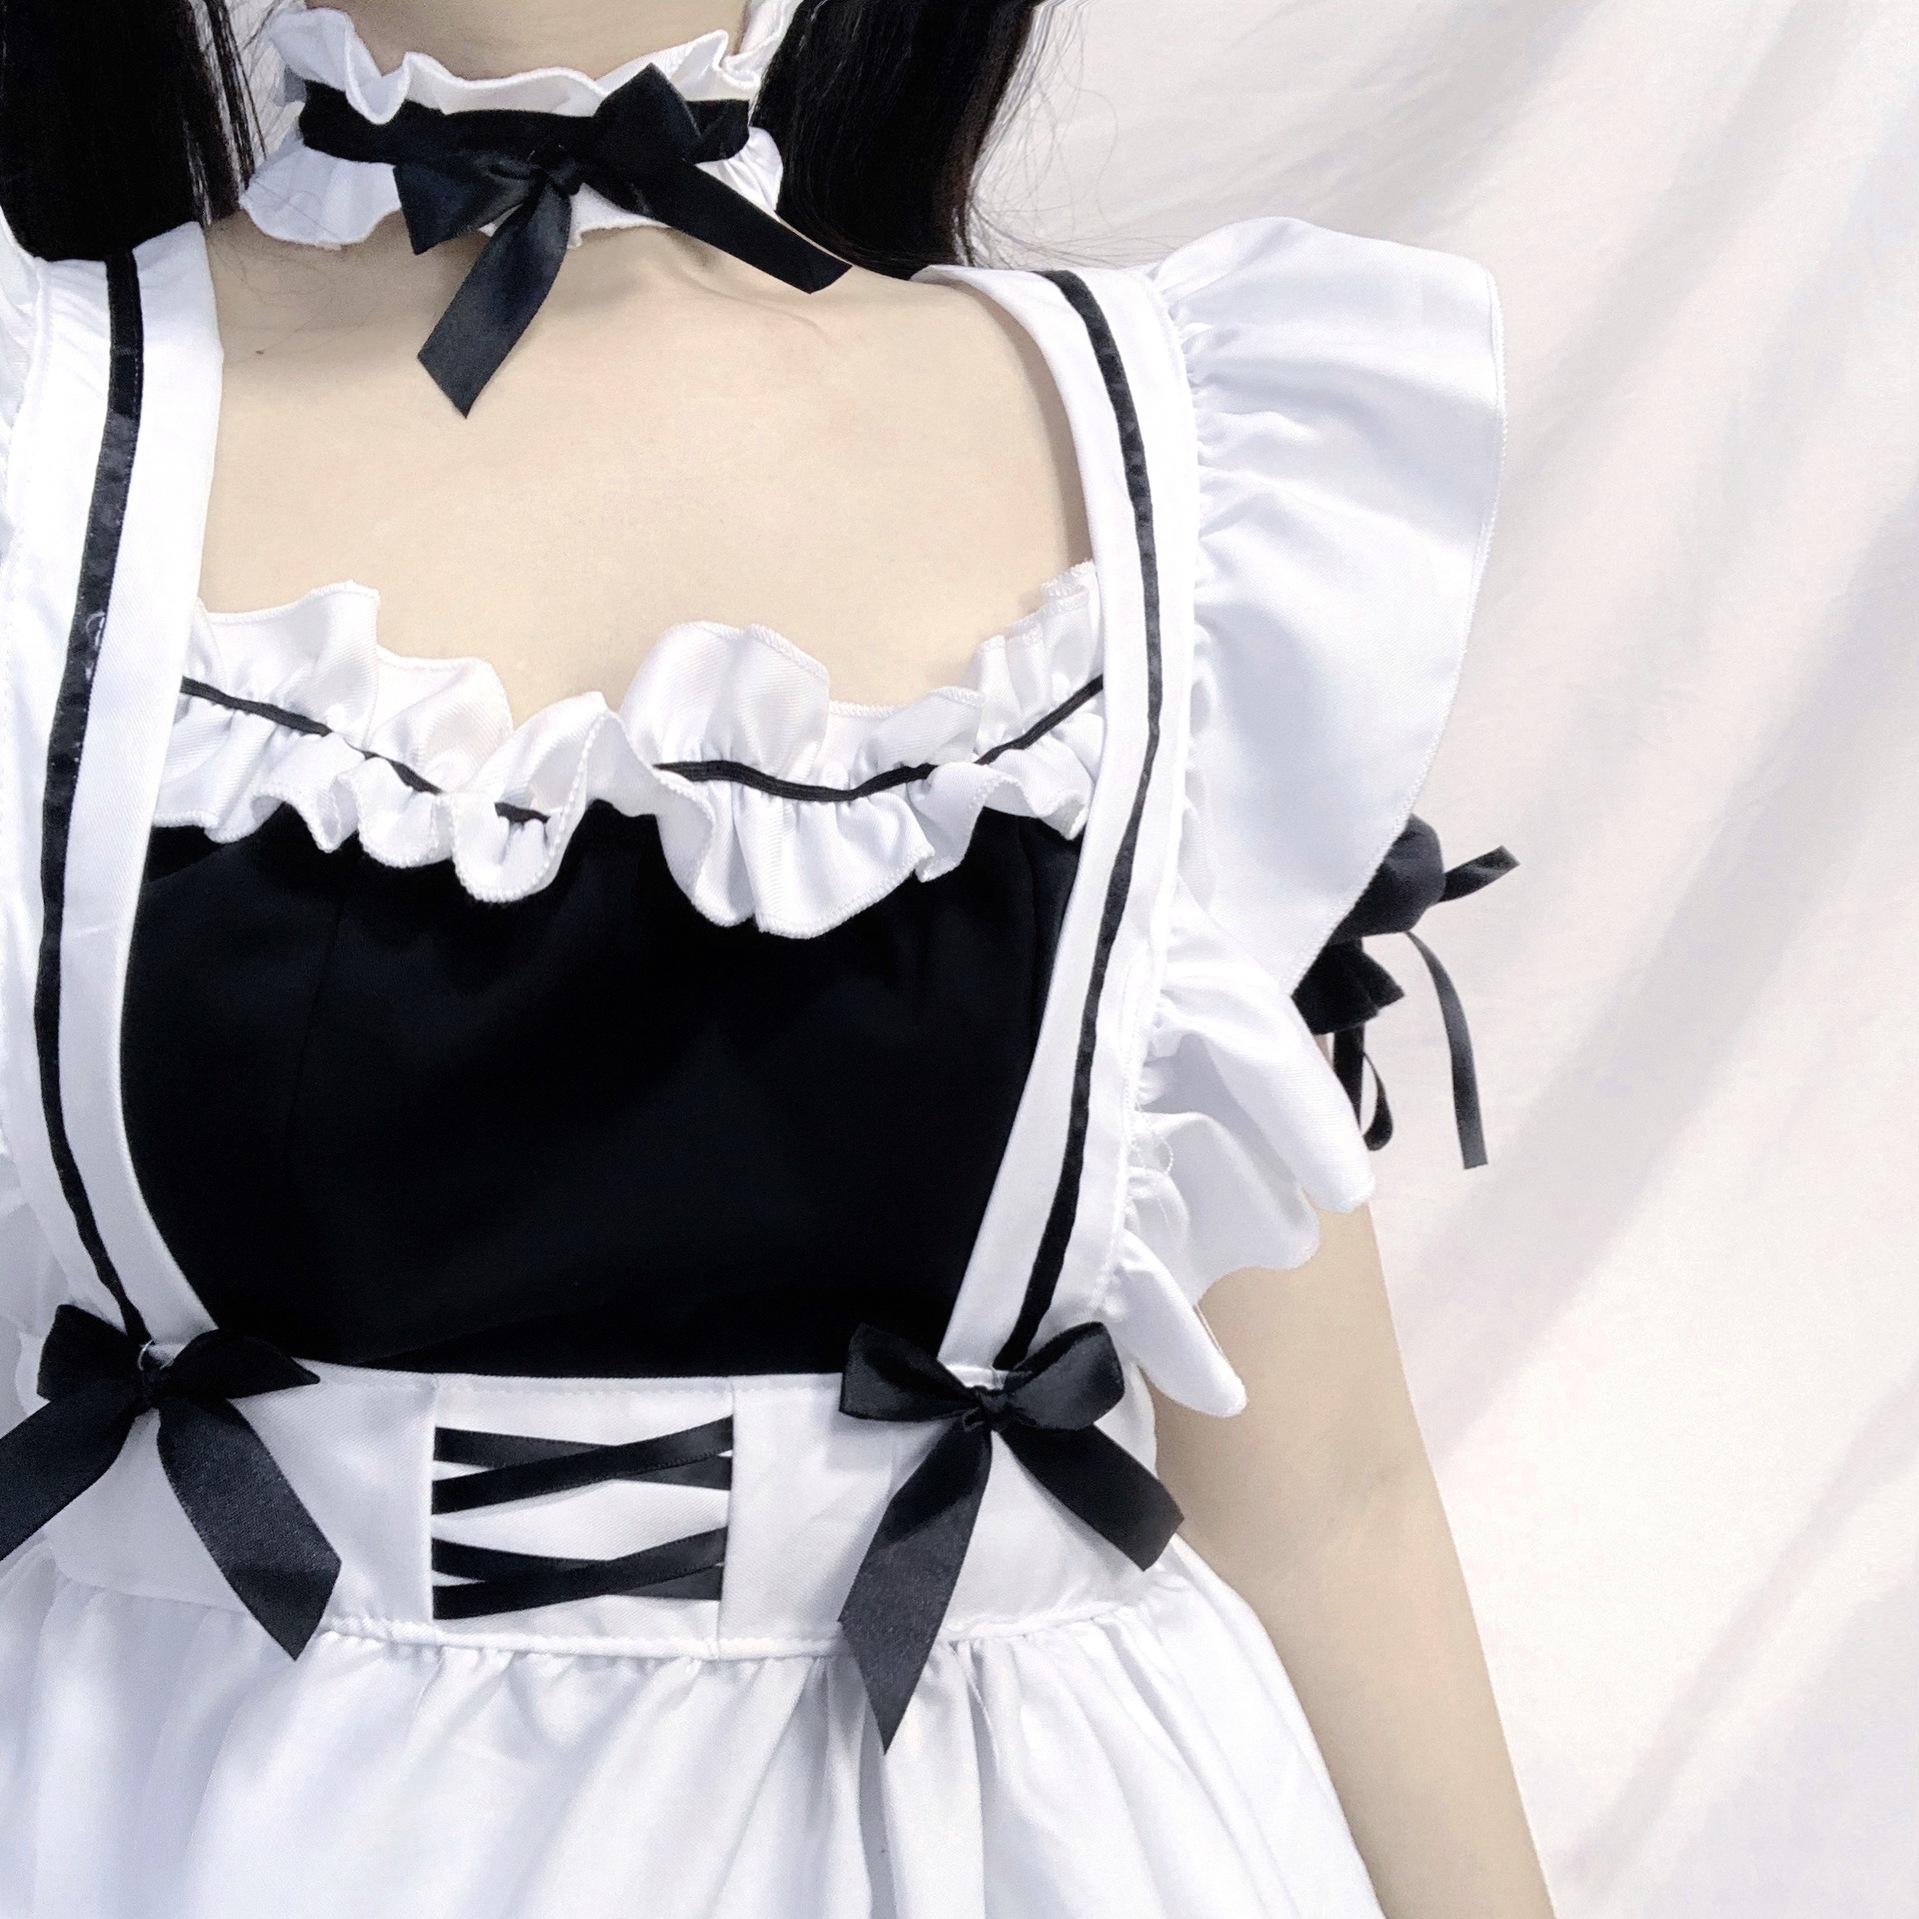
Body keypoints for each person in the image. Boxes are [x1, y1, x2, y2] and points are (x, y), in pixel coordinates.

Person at [0, 2, 1553, 1913]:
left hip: (996, 1847)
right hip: (190, 1822)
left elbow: (1325, 1498)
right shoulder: (37, 435)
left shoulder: (1181, 476)